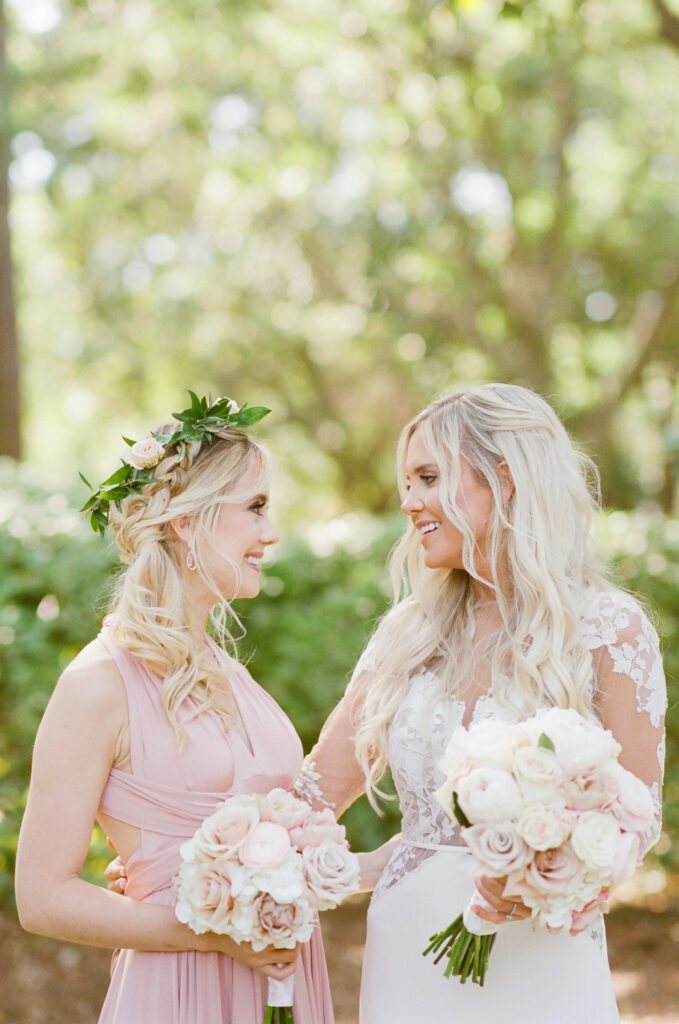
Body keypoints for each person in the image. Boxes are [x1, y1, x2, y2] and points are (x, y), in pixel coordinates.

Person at [294, 382, 666, 1023]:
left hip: (542, 954)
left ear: (505, 477)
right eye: (408, 482)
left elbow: (637, 817)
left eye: (429, 477)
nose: (409, 503)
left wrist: (545, 871)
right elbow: (313, 792)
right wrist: (178, 851)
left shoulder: (608, 628)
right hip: (408, 953)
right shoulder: (407, 634)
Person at [15, 394, 334, 1024]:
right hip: (178, 988)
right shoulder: (99, 684)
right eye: (255, 508)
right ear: (187, 522)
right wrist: (215, 936)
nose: (270, 534)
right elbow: (41, 898)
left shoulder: (230, 671)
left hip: (283, 983)